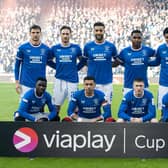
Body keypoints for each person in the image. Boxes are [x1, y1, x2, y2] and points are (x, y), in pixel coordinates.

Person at [82, 22, 118, 106]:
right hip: (91, 83)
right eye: (96, 30)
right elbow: (83, 60)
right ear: (93, 31)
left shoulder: (111, 46)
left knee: (107, 108)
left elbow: (118, 60)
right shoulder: (88, 46)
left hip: (107, 82)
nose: (98, 32)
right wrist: (92, 64)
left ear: (104, 31)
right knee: (90, 109)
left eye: (100, 30)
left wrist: (108, 64)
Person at [14, 24, 54, 98]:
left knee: (39, 108)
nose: (35, 34)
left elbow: (50, 63)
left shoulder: (46, 49)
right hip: (25, 84)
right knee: (24, 108)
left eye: (37, 32)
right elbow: (17, 66)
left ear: (40, 34)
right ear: (30, 34)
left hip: (41, 84)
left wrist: (64, 67)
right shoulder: (22, 48)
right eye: (33, 32)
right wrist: (17, 82)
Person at [50, 25, 82, 117]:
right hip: (59, 80)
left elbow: (82, 61)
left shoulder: (76, 48)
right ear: (60, 35)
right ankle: (55, 125)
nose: (65, 36)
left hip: (73, 81)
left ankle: (74, 129)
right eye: (63, 34)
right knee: (56, 106)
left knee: (75, 107)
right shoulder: (55, 48)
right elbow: (48, 61)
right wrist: (58, 67)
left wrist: (76, 69)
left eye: (67, 34)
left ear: (70, 35)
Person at [116, 30, 156, 95]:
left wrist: (148, 63)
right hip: (128, 86)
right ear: (131, 38)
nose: (136, 40)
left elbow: (159, 56)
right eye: (134, 38)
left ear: (142, 39)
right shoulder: (124, 51)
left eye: (139, 38)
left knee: (144, 105)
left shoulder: (147, 50)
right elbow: (117, 62)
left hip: (143, 85)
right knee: (127, 105)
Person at [151, 27, 168, 110]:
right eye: (167, 37)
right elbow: (157, 62)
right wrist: (145, 62)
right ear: (164, 37)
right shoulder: (161, 48)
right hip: (164, 83)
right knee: (162, 107)